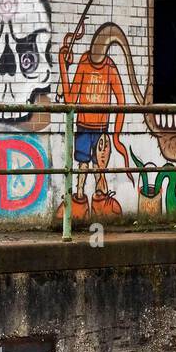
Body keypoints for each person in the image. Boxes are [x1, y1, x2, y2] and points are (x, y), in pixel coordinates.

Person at [57, 24, 133, 222]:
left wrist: (116, 136)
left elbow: (121, 100)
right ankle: (80, 198)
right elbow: (71, 98)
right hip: (83, 126)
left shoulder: (109, 67)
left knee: (99, 167)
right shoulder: (84, 62)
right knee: (83, 164)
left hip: (101, 129)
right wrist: (62, 68)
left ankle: (100, 200)